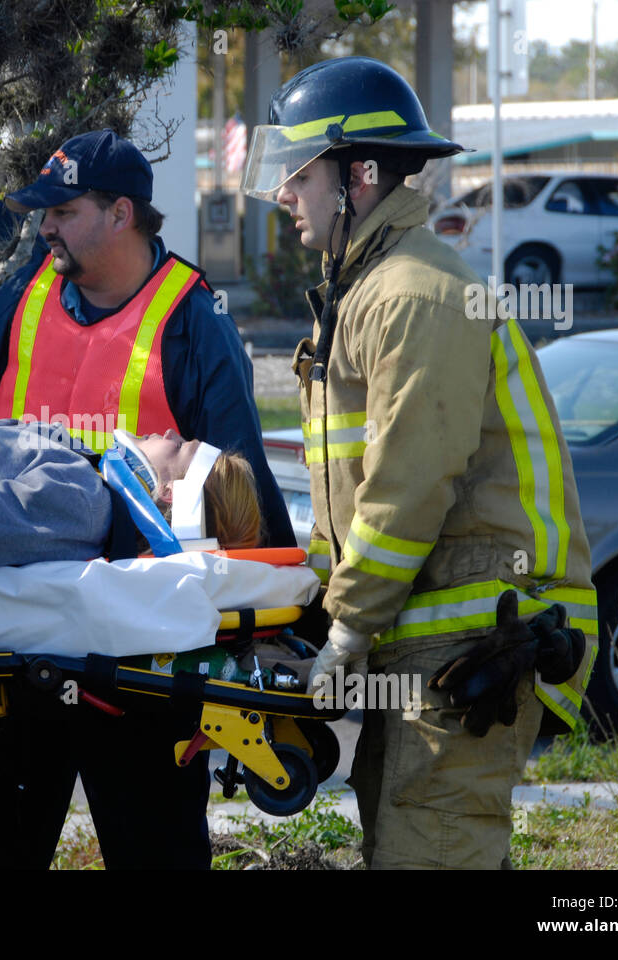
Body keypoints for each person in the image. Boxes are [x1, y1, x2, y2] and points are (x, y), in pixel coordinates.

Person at [240, 56, 597, 869]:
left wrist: (348, 630)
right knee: (419, 837)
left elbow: (407, 489)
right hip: (438, 646)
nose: (285, 195)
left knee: (426, 847)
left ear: (358, 176)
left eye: (298, 174)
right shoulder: (372, 288)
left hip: (480, 643)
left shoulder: (410, 294)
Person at [0, 129, 293, 869]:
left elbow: (240, 474)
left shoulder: (194, 316)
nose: (45, 228)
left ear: (122, 214)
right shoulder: (24, 291)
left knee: (156, 853)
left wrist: (269, 620)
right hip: (10, 647)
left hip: (137, 660)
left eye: (63, 212)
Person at [0, 399, 262, 567]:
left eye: (180, 446)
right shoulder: (91, 475)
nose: (171, 431)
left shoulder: (86, 506)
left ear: (170, 492)